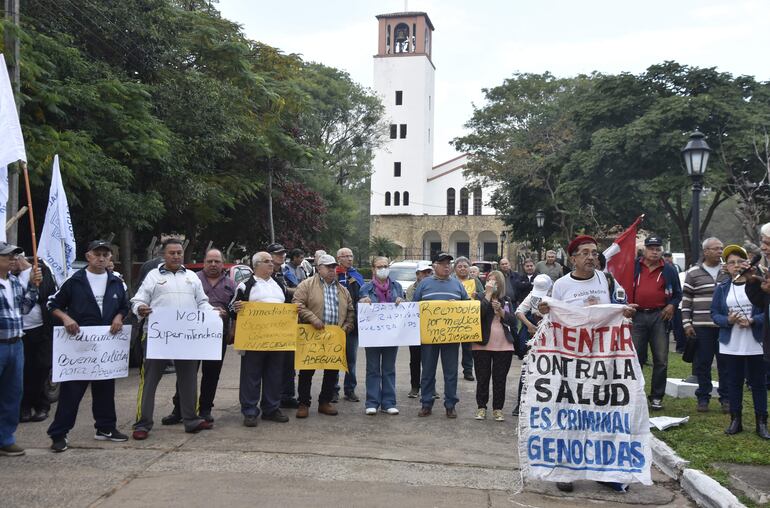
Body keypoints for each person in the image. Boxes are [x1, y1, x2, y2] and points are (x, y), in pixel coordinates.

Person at [538, 235, 635, 493]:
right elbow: (547, 311)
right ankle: (566, 470)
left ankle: (601, 469)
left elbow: (617, 306)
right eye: (585, 253)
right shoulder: (561, 285)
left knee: (601, 414)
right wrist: (547, 310)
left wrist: (623, 311)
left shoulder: (605, 279)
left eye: (594, 252)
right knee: (570, 414)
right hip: (571, 362)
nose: (592, 257)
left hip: (601, 359)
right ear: (573, 259)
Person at [131, 238, 221, 439]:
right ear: (164, 254)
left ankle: (191, 419)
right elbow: (137, 300)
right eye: (172, 253)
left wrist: (213, 312)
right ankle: (142, 423)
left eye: (179, 253)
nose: (176, 256)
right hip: (157, 338)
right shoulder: (153, 276)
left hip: (186, 338)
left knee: (188, 379)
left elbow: (202, 302)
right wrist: (140, 309)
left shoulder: (191, 277)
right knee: (150, 381)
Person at [46, 240, 130, 452]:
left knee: (105, 389)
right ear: (88, 256)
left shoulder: (116, 282)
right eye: (97, 254)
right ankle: (59, 433)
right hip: (78, 347)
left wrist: (119, 317)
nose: (101, 258)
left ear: (110, 258)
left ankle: (105, 427)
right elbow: (52, 304)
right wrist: (65, 318)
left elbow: (124, 306)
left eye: (105, 254)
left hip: (106, 346)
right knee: (72, 392)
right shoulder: (75, 281)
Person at [162, 249, 235, 425]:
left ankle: (205, 409)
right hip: (190, 335)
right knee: (186, 373)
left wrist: (233, 329)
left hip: (217, 336)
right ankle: (179, 409)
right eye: (210, 261)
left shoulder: (231, 284)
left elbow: (235, 311)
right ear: (204, 262)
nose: (213, 264)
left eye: (217, 261)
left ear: (222, 263)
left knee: (212, 374)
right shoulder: (191, 279)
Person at [712, 245, 769, 439]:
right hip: (731, 343)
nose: (736, 266)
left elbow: (766, 311)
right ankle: (736, 420)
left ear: (747, 263)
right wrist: (728, 321)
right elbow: (715, 314)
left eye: (740, 262)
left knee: (758, 383)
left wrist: (753, 320)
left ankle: (761, 423)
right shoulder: (722, 289)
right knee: (733, 382)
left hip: (755, 342)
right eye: (731, 263)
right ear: (726, 267)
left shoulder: (757, 284)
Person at [231, 252, 291, 426]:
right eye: (267, 262)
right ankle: (249, 411)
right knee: (251, 375)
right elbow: (232, 308)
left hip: (277, 339)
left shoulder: (279, 284)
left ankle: (271, 409)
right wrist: (237, 307)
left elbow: (288, 306)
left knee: (274, 375)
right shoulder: (246, 285)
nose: (272, 264)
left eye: (272, 262)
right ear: (256, 264)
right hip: (253, 340)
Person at [292, 254, 355, 418]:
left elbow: (350, 311)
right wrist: (313, 319)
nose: (332, 270)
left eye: (334, 267)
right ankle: (303, 403)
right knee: (307, 371)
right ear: (319, 268)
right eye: (328, 267)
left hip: (334, 337)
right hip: (312, 335)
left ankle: (325, 402)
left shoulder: (343, 290)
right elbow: (297, 304)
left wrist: (346, 327)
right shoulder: (306, 285)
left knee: (332, 371)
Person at [413, 252, 470, 418]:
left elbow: (467, 307)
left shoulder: (458, 285)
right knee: (428, 371)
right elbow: (414, 307)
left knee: (451, 372)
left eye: (448, 263)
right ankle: (426, 403)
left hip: (451, 336)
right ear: (434, 266)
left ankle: (450, 404)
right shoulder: (424, 284)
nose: (447, 266)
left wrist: (458, 306)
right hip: (429, 337)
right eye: (443, 263)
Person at [629, 236, 682, 411]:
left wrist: (671, 305)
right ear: (644, 249)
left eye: (657, 248)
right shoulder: (635, 266)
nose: (654, 251)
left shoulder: (669, 269)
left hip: (660, 316)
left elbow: (677, 294)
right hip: (637, 316)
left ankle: (657, 397)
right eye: (651, 248)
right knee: (636, 358)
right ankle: (635, 394)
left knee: (661, 359)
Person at [0, 242, 42, 457]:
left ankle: (6, 439)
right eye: (7, 256)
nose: (12, 260)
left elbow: (24, 308)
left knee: (12, 393)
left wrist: (34, 287)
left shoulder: (15, 282)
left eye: (14, 256)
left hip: (16, 344)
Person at [682, 237, 730, 413]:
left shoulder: (728, 272)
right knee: (702, 364)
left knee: (725, 364)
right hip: (701, 326)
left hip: (724, 325)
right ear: (706, 252)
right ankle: (703, 398)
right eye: (716, 248)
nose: (720, 251)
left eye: (721, 248)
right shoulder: (693, 272)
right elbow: (686, 301)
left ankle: (726, 399)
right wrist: (687, 324)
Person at [13, 254, 57, 423]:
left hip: (40, 328)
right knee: (23, 370)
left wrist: (36, 283)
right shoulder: (11, 277)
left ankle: (41, 405)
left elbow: (49, 296)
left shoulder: (41, 271)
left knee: (40, 368)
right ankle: (24, 407)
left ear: (18, 258)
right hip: (20, 330)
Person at [359, 256, 404, 415]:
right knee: (372, 369)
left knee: (389, 369)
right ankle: (372, 402)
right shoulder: (365, 288)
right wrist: (363, 302)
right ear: (373, 269)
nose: (383, 269)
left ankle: (388, 403)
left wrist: (401, 301)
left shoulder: (397, 286)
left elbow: (405, 310)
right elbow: (360, 308)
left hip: (392, 335)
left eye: (385, 266)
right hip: (372, 336)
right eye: (379, 266)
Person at [473, 270, 516, 422]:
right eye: (489, 281)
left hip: (504, 346)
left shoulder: (506, 300)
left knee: (500, 379)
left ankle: (498, 409)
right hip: (482, 345)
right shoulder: (479, 297)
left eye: (495, 281)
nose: (491, 284)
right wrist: (488, 295)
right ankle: (481, 408)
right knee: (482, 378)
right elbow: (479, 314)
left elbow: (512, 321)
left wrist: (501, 311)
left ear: (501, 284)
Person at [512, 274, 553, 416]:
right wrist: (529, 325)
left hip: (550, 333)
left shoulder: (556, 295)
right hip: (533, 330)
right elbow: (519, 311)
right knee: (527, 367)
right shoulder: (532, 295)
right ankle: (521, 403)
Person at [335, 247, 364, 402]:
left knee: (350, 359)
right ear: (338, 258)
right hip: (334, 323)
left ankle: (349, 389)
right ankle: (333, 390)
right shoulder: (332, 274)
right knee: (333, 358)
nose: (349, 259)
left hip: (352, 324)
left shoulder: (356, 276)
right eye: (346, 256)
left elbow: (361, 297)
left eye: (351, 256)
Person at [406, 261, 434, 399]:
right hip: (415, 329)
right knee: (415, 359)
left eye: (429, 272)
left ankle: (431, 387)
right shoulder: (411, 289)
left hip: (431, 329)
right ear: (417, 274)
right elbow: (412, 306)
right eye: (423, 272)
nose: (426, 275)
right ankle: (415, 386)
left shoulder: (435, 286)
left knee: (430, 360)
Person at [453, 256, 483, 382]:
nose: (462, 269)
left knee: (468, 348)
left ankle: (468, 371)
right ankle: (452, 371)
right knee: (452, 348)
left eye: (465, 266)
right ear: (455, 269)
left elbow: (484, 295)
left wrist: (478, 296)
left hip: (469, 319)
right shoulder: (451, 280)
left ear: (469, 268)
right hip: (453, 318)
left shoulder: (475, 281)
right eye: (459, 266)